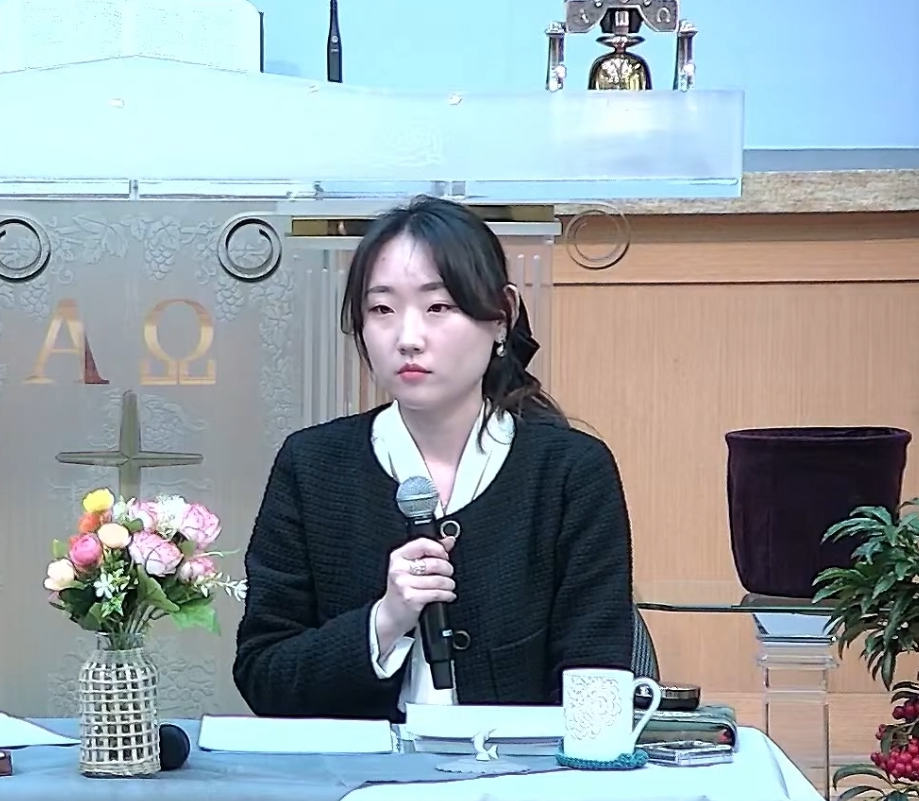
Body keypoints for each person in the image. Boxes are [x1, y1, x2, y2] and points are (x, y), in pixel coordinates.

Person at [232, 195, 634, 719]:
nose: (408, 338)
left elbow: (596, 681)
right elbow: (263, 674)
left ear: (502, 318)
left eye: (438, 307)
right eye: (381, 309)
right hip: (356, 770)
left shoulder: (569, 472)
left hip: (516, 771)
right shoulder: (311, 466)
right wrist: (384, 620)